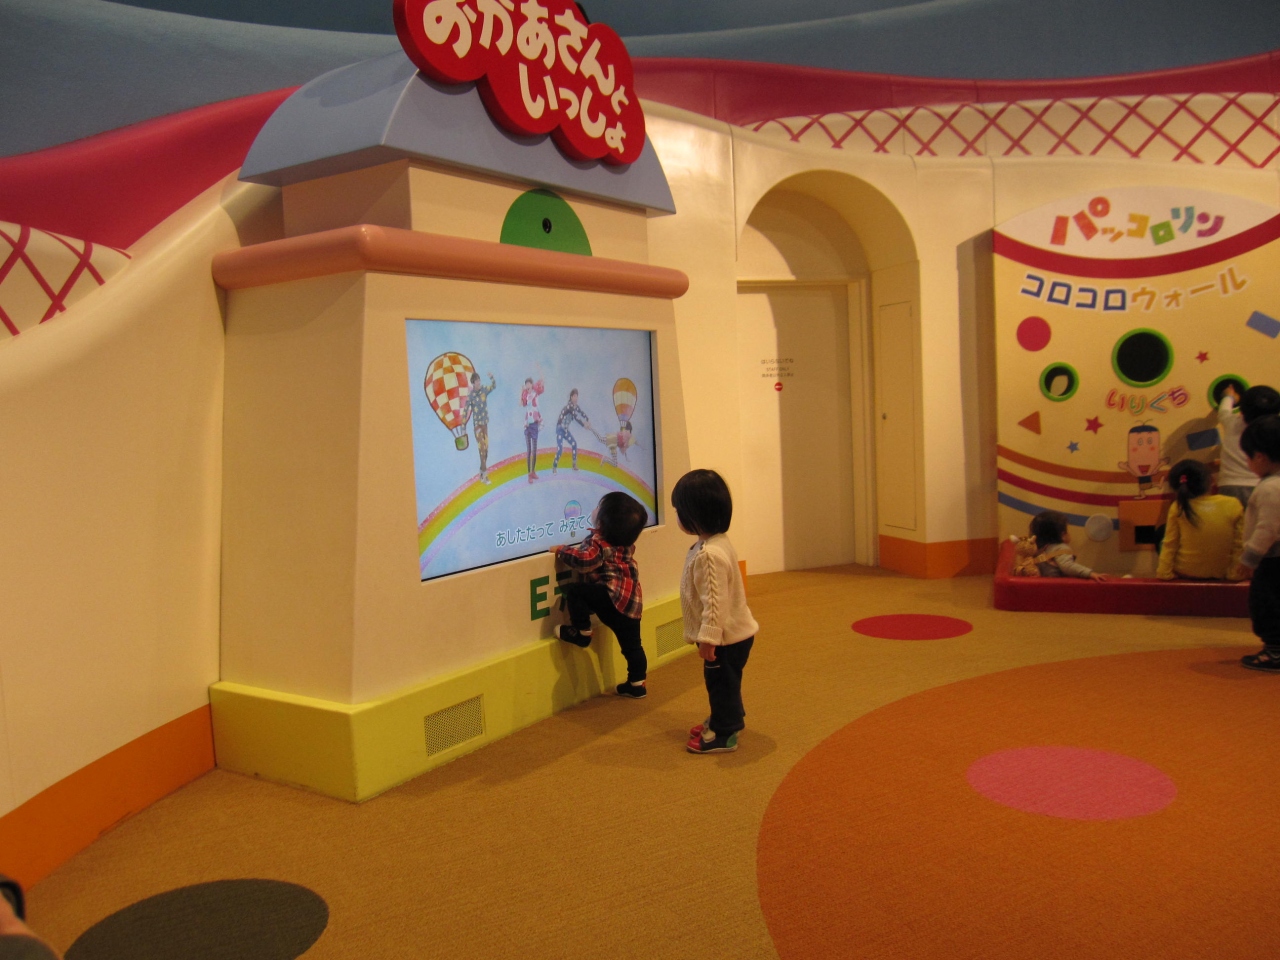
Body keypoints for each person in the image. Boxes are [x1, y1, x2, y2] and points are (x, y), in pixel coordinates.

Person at [672, 469, 759, 754]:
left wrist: (709, 639)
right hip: (732, 634)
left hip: (725, 638)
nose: (677, 516)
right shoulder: (715, 543)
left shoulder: (709, 554)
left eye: (679, 511)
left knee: (720, 683)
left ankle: (725, 732)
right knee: (725, 681)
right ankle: (727, 717)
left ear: (693, 515)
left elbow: (715, 603)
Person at [550, 491, 649, 697]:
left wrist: (561, 550)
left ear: (602, 523)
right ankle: (637, 684)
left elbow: (585, 561)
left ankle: (582, 632)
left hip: (611, 599)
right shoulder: (626, 544)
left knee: (576, 592)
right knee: (633, 647)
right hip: (631, 603)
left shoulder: (598, 542)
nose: (594, 509)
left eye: (598, 507)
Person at [1232, 416, 1280, 672]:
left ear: (1260, 457)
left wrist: (1249, 559)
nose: (1249, 464)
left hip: (1272, 560)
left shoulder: (1271, 488)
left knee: (1266, 604)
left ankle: (1275, 651)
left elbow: (1267, 528)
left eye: (1248, 458)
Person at [1155, 459, 1243, 580]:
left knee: (1161, 532)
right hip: (1222, 572)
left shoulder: (1178, 506)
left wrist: (1164, 573)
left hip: (1186, 571)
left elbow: (1170, 543)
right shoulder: (1233, 504)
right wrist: (1234, 574)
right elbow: (1239, 544)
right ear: (1212, 480)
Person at [1217, 383, 1280, 509]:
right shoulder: (1275, 431)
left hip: (1230, 485)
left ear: (1242, 410)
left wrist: (1229, 397)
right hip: (1266, 485)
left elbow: (1223, 411)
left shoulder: (1232, 422)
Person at [1028, 510, 1110, 580]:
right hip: (1056, 586)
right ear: (1062, 535)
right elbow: (1068, 566)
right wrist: (1090, 573)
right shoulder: (1060, 548)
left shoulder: (1037, 550)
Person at [463, 371, 496, 483]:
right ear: (473, 383)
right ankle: (485, 476)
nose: (478, 382)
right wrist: (463, 428)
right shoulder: (471, 395)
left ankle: (481, 472)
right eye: (476, 381)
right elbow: (465, 411)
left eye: (479, 380)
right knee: (482, 449)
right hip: (477, 426)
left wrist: (492, 377)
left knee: (485, 451)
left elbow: (493, 386)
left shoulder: (484, 390)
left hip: (485, 424)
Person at [551, 388, 592, 474]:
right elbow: (576, 417)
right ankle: (554, 466)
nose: (576, 398)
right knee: (560, 449)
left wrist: (587, 419)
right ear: (571, 397)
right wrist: (584, 425)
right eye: (574, 396)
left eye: (577, 396)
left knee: (574, 443)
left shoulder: (575, 407)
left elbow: (581, 413)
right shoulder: (569, 407)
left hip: (566, 430)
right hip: (560, 429)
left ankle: (574, 465)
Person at [520, 377, 544, 482]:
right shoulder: (525, 395)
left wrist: (541, 381)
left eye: (529, 384)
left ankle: (533, 471)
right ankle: (529, 474)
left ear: (532, 385)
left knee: (534, 450)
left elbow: (541, 386)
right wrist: (521, 393)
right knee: (529, 450)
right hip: (527, 425)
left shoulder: (535, 394)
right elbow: (522, 404)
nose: (528, 386)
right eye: (526, 384)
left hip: (534, 424)